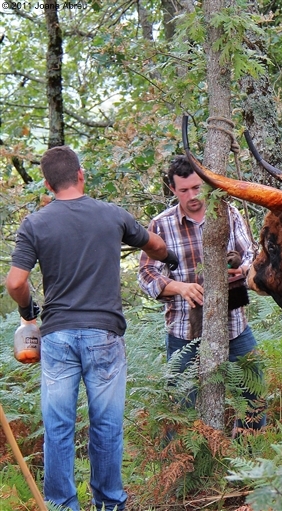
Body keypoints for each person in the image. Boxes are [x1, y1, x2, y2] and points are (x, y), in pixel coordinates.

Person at [5, 145, 179, 511]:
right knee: (106, 425)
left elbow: (16, 283)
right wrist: (171, 259)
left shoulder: (35, 224)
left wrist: (28, 311)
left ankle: (62, 505)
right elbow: (157, 244)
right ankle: (110, 503)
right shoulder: (111, 215)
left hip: (58, 337)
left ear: (49, 185)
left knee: (58, 427)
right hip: (104, 334)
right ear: (81, 174)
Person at [137, 155, 265, 432]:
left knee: (253, 398)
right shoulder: (161, 225)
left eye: (197, 188)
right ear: (172, 190)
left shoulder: (228, 213)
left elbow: (251, 254)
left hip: (235, 326)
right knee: (181, 409)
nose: (192, 196)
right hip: (184, 332)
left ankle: (248, 462)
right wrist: (179, 288)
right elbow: (147, 275)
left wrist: (241, 270)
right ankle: (190, 469)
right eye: (184, 190)